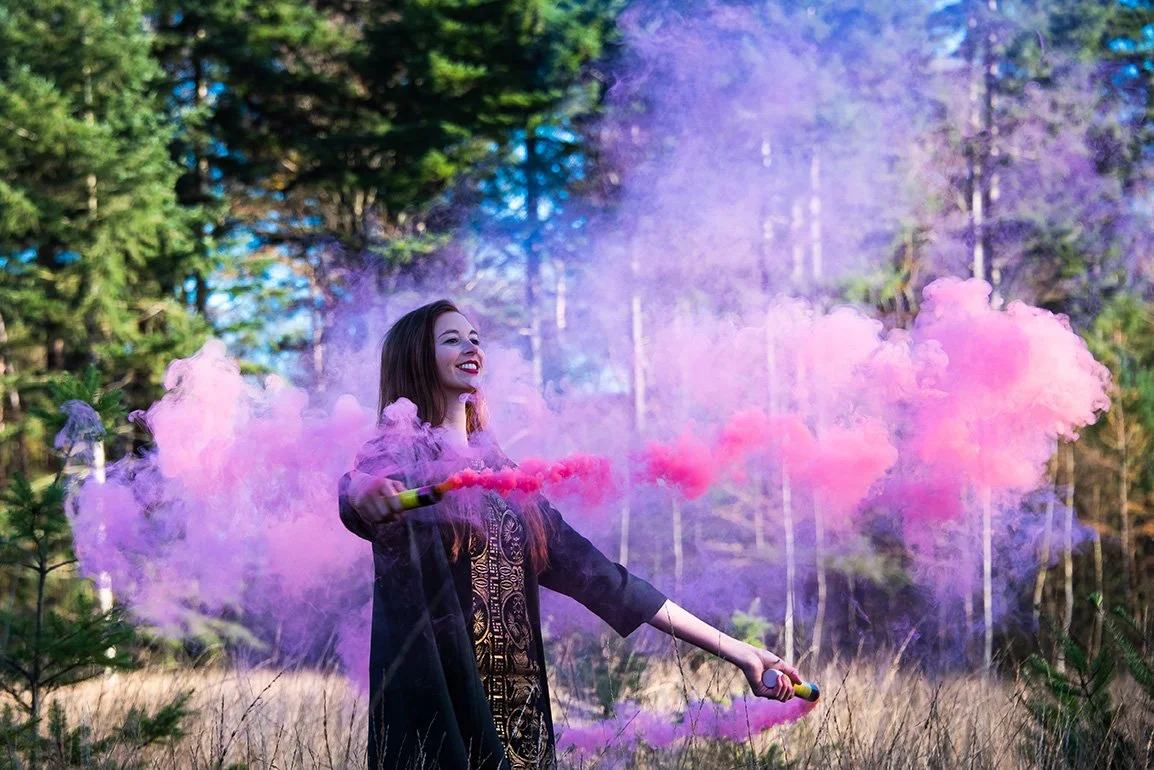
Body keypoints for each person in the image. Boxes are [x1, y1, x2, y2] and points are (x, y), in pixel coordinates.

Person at [337, 299, 803, 770]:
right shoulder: (397, 455)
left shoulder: (506, 478)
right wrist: (364, 494)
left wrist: (738, 651)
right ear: (416, 357)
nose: (471, 345)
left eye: (475, 337)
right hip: (438, 710)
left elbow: (607, 581)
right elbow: (356, 493)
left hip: (520, 724)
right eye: (451, 339)